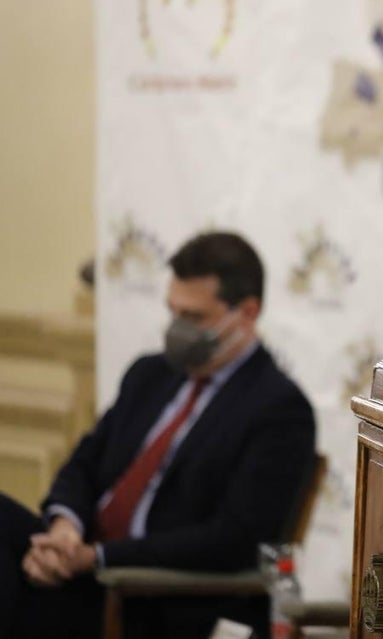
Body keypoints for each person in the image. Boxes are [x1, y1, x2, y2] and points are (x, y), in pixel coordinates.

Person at [0, 231, 317, 639]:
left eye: (195, 318)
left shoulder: (278, 408)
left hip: (151, 603)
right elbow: (84, 464)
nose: (178, 330)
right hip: (83, 575)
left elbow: (232, 540)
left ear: (248, 313)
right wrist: (64, 531)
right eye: (174, 313)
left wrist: (97, 557)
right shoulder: (150, 374)